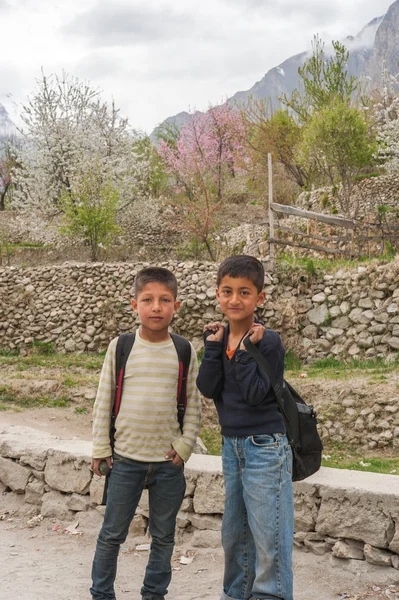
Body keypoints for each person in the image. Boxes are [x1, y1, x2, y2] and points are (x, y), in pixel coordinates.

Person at [90, 267, 201, 600]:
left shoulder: (184, 351)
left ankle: (154, 594)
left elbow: (194, 404)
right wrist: (100, 447)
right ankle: (101, 594)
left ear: (176, 307)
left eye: (164, 300)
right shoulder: (121, 347)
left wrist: (185, 446)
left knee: (164, 537)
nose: (156, 307)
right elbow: (104, 397)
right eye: (148, 300)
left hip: (168, 466)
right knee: (111, 535)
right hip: (124, 461)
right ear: (134, 304)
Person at [196, 255, 294, 600]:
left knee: (269, 535)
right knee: (234, 533)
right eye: (227, 291)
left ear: (260, 298)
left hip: (265, 446)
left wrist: (243, 349)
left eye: (244, 292)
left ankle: (271, 595)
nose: (234, 300)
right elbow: (207, 388)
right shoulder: (218, 339)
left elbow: (254, 395)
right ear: (218, 293)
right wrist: (212, 348)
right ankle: (235, 593)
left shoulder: (268, 341)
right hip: (232, 446)